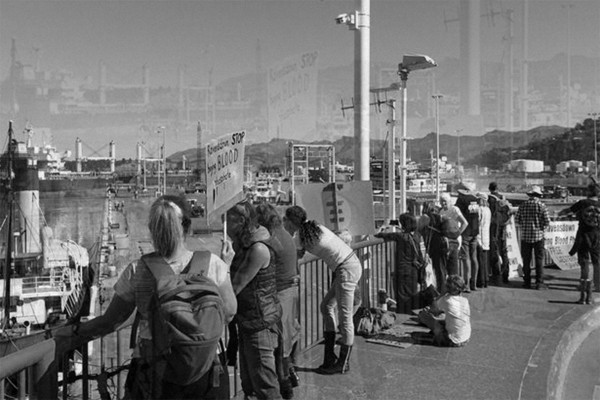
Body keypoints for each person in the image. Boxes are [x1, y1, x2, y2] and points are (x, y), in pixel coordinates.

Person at [55, 195, 237, 399]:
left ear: (153, 230)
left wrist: (71, 330)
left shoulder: (138, 270)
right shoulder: (213, 264)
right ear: (187, 227)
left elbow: (110, 323)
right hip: (207, 373)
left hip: (155, 373)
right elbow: (229, 313)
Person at [283, 205, 361, 375]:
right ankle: (329, 356)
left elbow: (295, 256)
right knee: (325, 306)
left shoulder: (300, 238)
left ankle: (342, 363)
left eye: (285, 220)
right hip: (349, 265)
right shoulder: (316, 228)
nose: (283, 222)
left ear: (290, 222)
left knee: (345, 317)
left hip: (345, 269)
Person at [226, 201, 283, 399]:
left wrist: (224, 262)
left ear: (241, 221)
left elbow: (234, 286)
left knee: (265, 386)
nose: (225, 226)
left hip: (259, 324)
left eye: (228, 220)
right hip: (249, 321)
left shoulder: (257, 249)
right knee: (249, 384)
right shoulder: (247, 245)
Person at [255, 202, 301, 395]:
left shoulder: (271, 240)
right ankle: (291, 371)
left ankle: (284, 384)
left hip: (280, 293)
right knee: (291, 334)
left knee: (279, 343)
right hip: (292, 290)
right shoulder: (286, 235)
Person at [375, 213, 437, 313]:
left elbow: (378, 234)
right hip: (415, 270)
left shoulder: (402, 237)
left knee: (403, 298)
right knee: (411, 295)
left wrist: (384, 225)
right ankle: (410, 311)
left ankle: (403, 315)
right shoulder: (418, 235)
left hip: (403, 271)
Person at [558, 181, 600, 304]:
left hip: (583, 235)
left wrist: (560, 213)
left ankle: (584, 288)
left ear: (589, 192)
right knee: (597, 262)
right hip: (597, 235)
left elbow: (568, 210)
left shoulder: (583, 203)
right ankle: (598, 285)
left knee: (584, 262)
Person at [418, 275, 471, 347]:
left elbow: (432, 309)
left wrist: (442, 293)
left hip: (452, 341)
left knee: (424, 315)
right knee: (443, 317)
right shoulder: (465, 300)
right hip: (466, 338)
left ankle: (438, 337)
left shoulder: (446, 300)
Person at [516, 185, 550, 290]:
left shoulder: (522, 206)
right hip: (538, 236)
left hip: (525, 236)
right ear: (538, 195)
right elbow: (547, 221)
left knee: (526, 260)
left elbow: (517, 220)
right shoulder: (542, 206)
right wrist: (540, 227)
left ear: (530, 195)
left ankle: (527, 282)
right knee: (539, 260)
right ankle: (539, 283)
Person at [420, 202, 449, 294]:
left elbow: (419, 230)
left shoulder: (426, 217)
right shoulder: (441, 217)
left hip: (434, 245)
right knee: (441, 268)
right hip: (443, 244)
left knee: (437, 268)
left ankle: (440, 291)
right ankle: (442, 288)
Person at [455, 185, 481, 291]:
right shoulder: (475, 199)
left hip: (465, 231)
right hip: (475, 231)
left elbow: (456, 212)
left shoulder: (461, 200)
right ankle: (473, 282)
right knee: (474, 258)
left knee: (466, 259)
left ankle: (466, 284)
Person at [439, 192, 468, 277]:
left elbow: (465, 223)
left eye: (444, 201)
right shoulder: (440, 211)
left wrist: (457, 234)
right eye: (441, 201)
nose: (443, 203)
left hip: (454, 240)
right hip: (445, 241)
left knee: (454, 262)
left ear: (449, 201)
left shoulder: (454, 209)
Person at [488, 182, 510, 285]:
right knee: (504, 251)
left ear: (490, 189)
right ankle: (505, 274)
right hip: (503, 227)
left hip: (493, 228)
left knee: (493, 251)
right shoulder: (503, 198)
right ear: (497, 188)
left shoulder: (490, 199)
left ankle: (495, 273)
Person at [476, 192, 491, 288]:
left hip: (480, 237)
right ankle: (485, 280)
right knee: (485, 260)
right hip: (486, 237)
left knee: (479, 260)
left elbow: (478, 223)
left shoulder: (479, 209)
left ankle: (480, 281)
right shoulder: (488, 210)